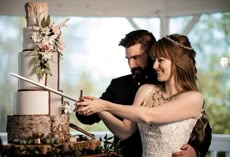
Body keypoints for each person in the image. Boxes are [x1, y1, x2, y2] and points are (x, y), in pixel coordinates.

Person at [76, 31, 212, 157]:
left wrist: (196, 151)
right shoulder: (143, 90)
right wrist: (97, 106)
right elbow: (125, 131)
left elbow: (148, 115)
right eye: (128, 59)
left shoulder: (193, 97)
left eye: (136, 57)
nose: (131, 64)